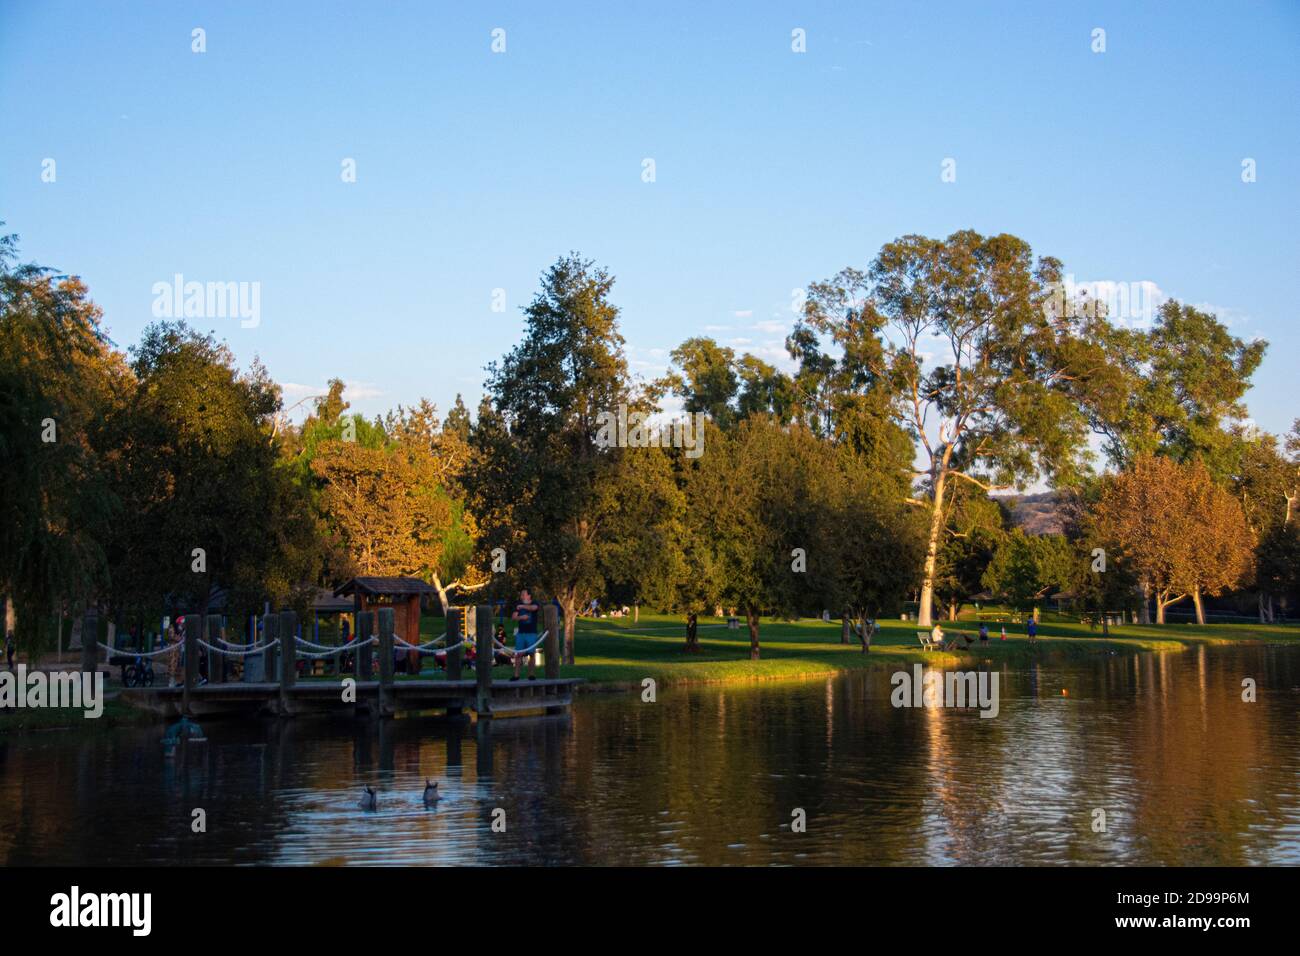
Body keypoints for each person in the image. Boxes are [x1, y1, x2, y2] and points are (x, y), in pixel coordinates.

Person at [510, 588, 540, 681]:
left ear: (529, 595)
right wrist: (521, 617)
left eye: (524, 594)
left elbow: (533, 608)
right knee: (518, 654)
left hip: (531, 633)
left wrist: (522, 607)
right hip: (521, 633)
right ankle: (516, 675)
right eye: (521, 594)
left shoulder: (534, 603)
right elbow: (514, 617)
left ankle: (531, 675)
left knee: (531, 654)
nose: (522, 596)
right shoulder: (517, 604)